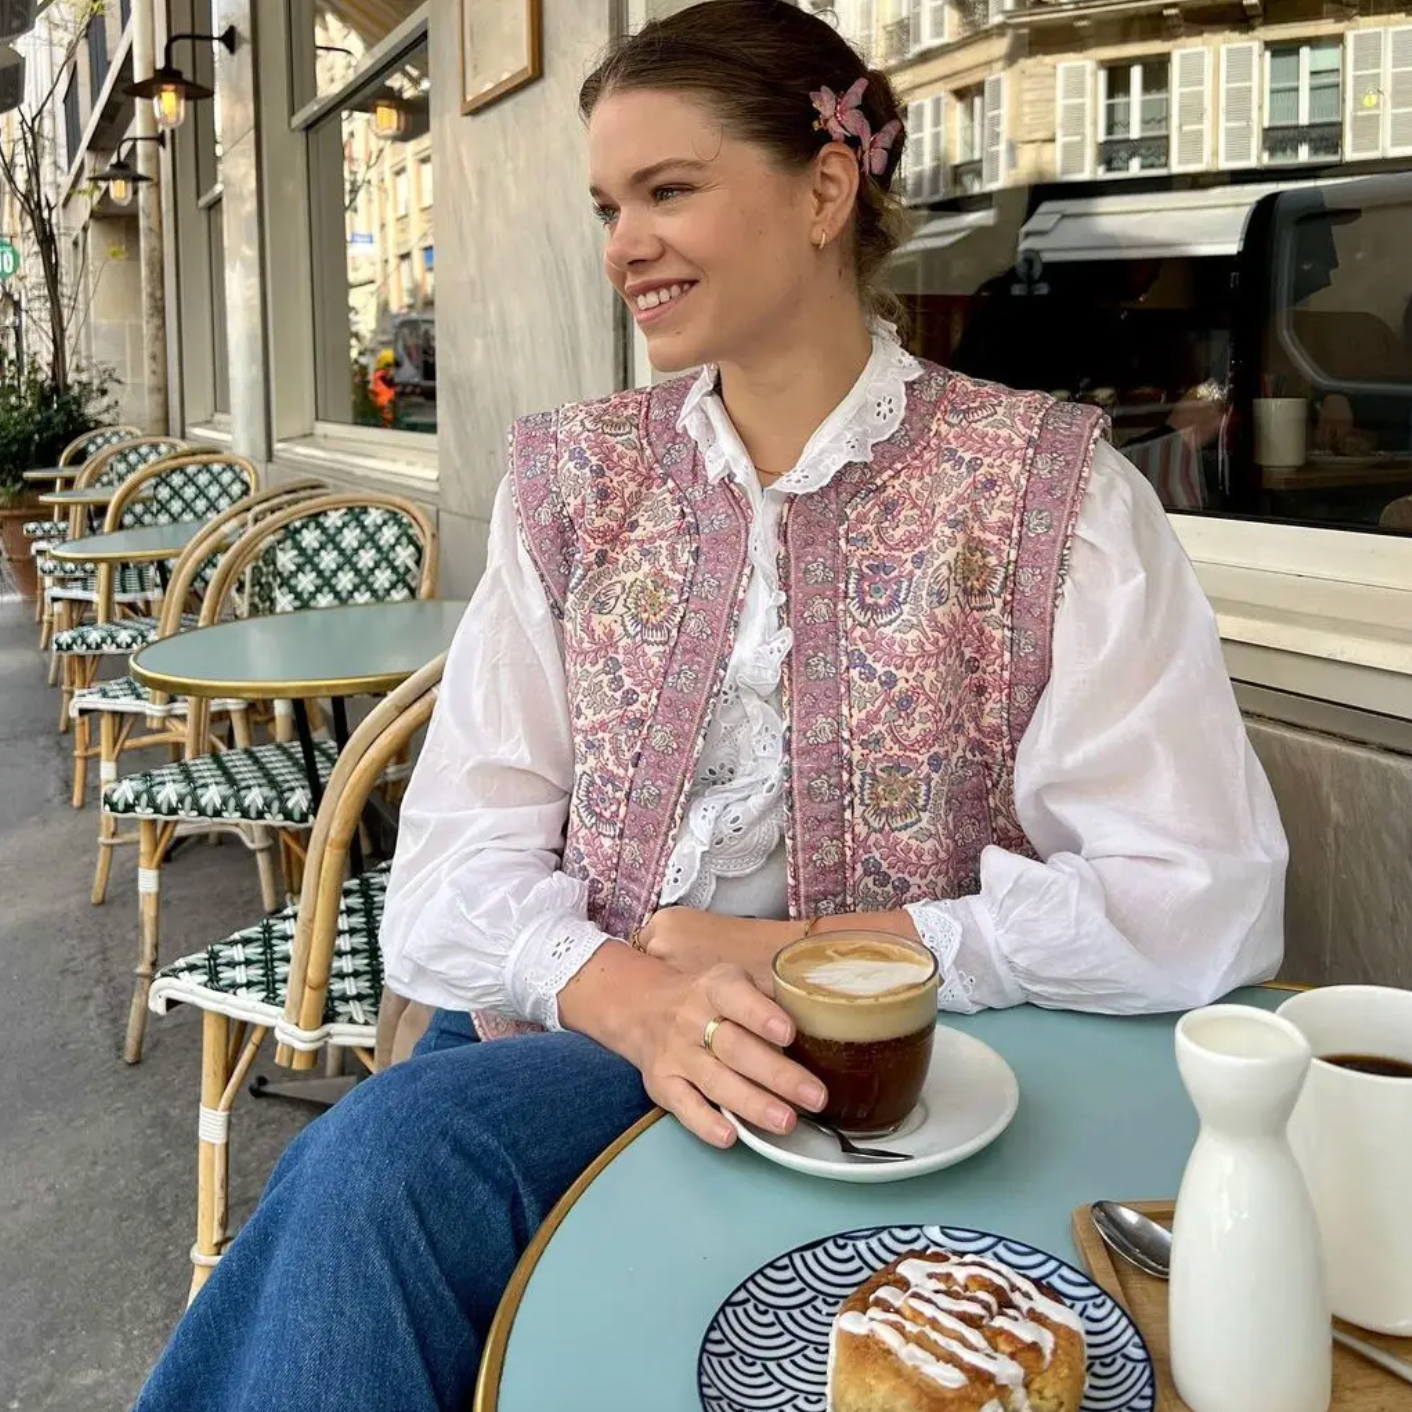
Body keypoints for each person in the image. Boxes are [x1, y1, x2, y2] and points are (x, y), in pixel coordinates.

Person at [132, 3, 1286, 1408]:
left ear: (825, 187)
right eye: (608, 205)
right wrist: (625, 993)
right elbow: (449, 864)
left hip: (901, 1068)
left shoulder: (1050, 493)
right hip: (579, 1024)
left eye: (669, 190)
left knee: (384, 1165)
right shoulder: (573, 482)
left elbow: (1200, 896)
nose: (623, 244)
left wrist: (814, 951)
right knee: (382, 1166)